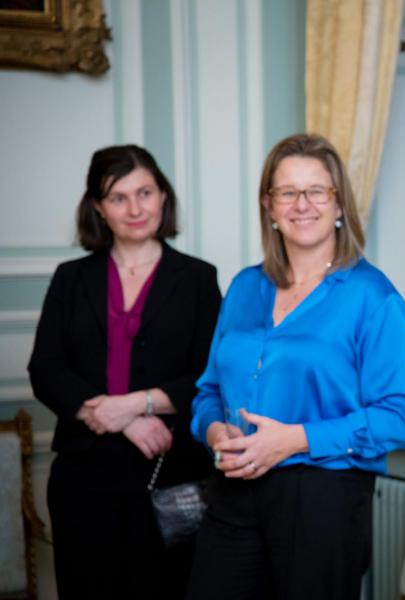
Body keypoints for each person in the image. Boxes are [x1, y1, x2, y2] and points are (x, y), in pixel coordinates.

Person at [187, 133, 405, 600]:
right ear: (269, 207)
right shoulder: (244, 287)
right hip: (232, 488)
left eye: (317, 190)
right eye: (287, 192)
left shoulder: (374, 298)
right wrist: (215, 432)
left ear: (338, 204)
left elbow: (399, 419)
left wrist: (292, 440)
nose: (302, 204)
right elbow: (208, 391)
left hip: (323, 499)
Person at [28, 145, 221, 599]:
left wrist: (137, 403)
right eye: (118, 197)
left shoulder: (198, 279)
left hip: (169, 478)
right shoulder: (70, 278)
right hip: (83, 480)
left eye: (145, 192)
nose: (135, 209)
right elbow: (46, 369)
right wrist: (126, 421)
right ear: (97, 207)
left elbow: (210, 377)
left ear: (163, 197)